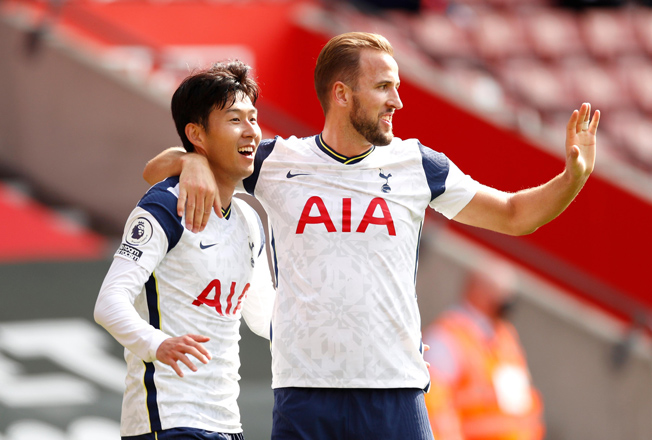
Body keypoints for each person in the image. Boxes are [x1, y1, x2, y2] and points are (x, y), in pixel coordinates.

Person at [142, 32, 599, 440]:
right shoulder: (275, 162)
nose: (397, 101)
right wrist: (195, 161)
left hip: (394, 391)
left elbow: (516, 215)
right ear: (342, 94)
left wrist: (573, 177)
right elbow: (156, 168)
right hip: (305, 391)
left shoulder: (419, 165)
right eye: (384, 87)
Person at [94, 60, 275, 440]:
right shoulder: (164, 205)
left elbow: (263, 317)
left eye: (253, 118)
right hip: (167, 419)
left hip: (226, 422)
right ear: (196, 133)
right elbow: (109, 303)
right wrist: (158, 344)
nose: (251, 132)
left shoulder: (248, 218)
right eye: (235, 119)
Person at [423, 261, 544, 440]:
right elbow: (434, 409)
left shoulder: (505, 338)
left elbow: (522, 405)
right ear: (477, 290)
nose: (506, 299)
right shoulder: (446, 337)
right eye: (500, 291)